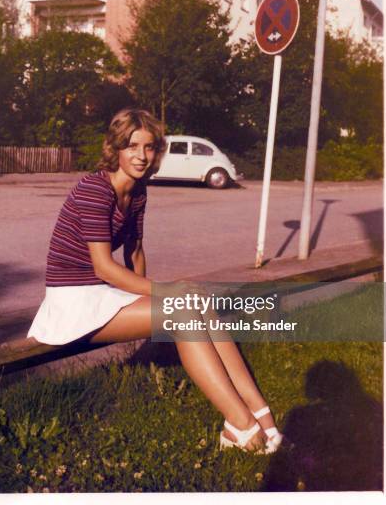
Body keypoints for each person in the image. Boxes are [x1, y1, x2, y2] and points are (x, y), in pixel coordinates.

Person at [27, 108, 282, 453]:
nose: (141, 156)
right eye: (132, 146)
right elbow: (103, 267)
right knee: (181, 310)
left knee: (197, 302)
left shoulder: (138, 192)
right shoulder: (94, 190)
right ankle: (241, 427)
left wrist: (150, 307)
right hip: (71, 302)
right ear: (115, 147)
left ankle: (260, 412)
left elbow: (136, 252)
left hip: (101, 295)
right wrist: (163, 296)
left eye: (149, 148)